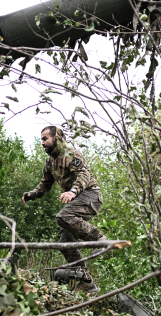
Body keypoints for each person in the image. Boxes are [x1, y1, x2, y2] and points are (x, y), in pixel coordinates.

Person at [22, 125, 106, 293]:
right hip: (77, 200)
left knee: (63, 216)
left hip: (91, 195)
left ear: (57, 138)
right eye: (41, 140)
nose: (42, 143)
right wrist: (32, 194)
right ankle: (87, 281)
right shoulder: (49, 162)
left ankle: (99, 240)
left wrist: (73, 191)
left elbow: (84, 175)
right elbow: (45, 184)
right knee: (65, 243)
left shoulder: (70, 153)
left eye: (45, 139)